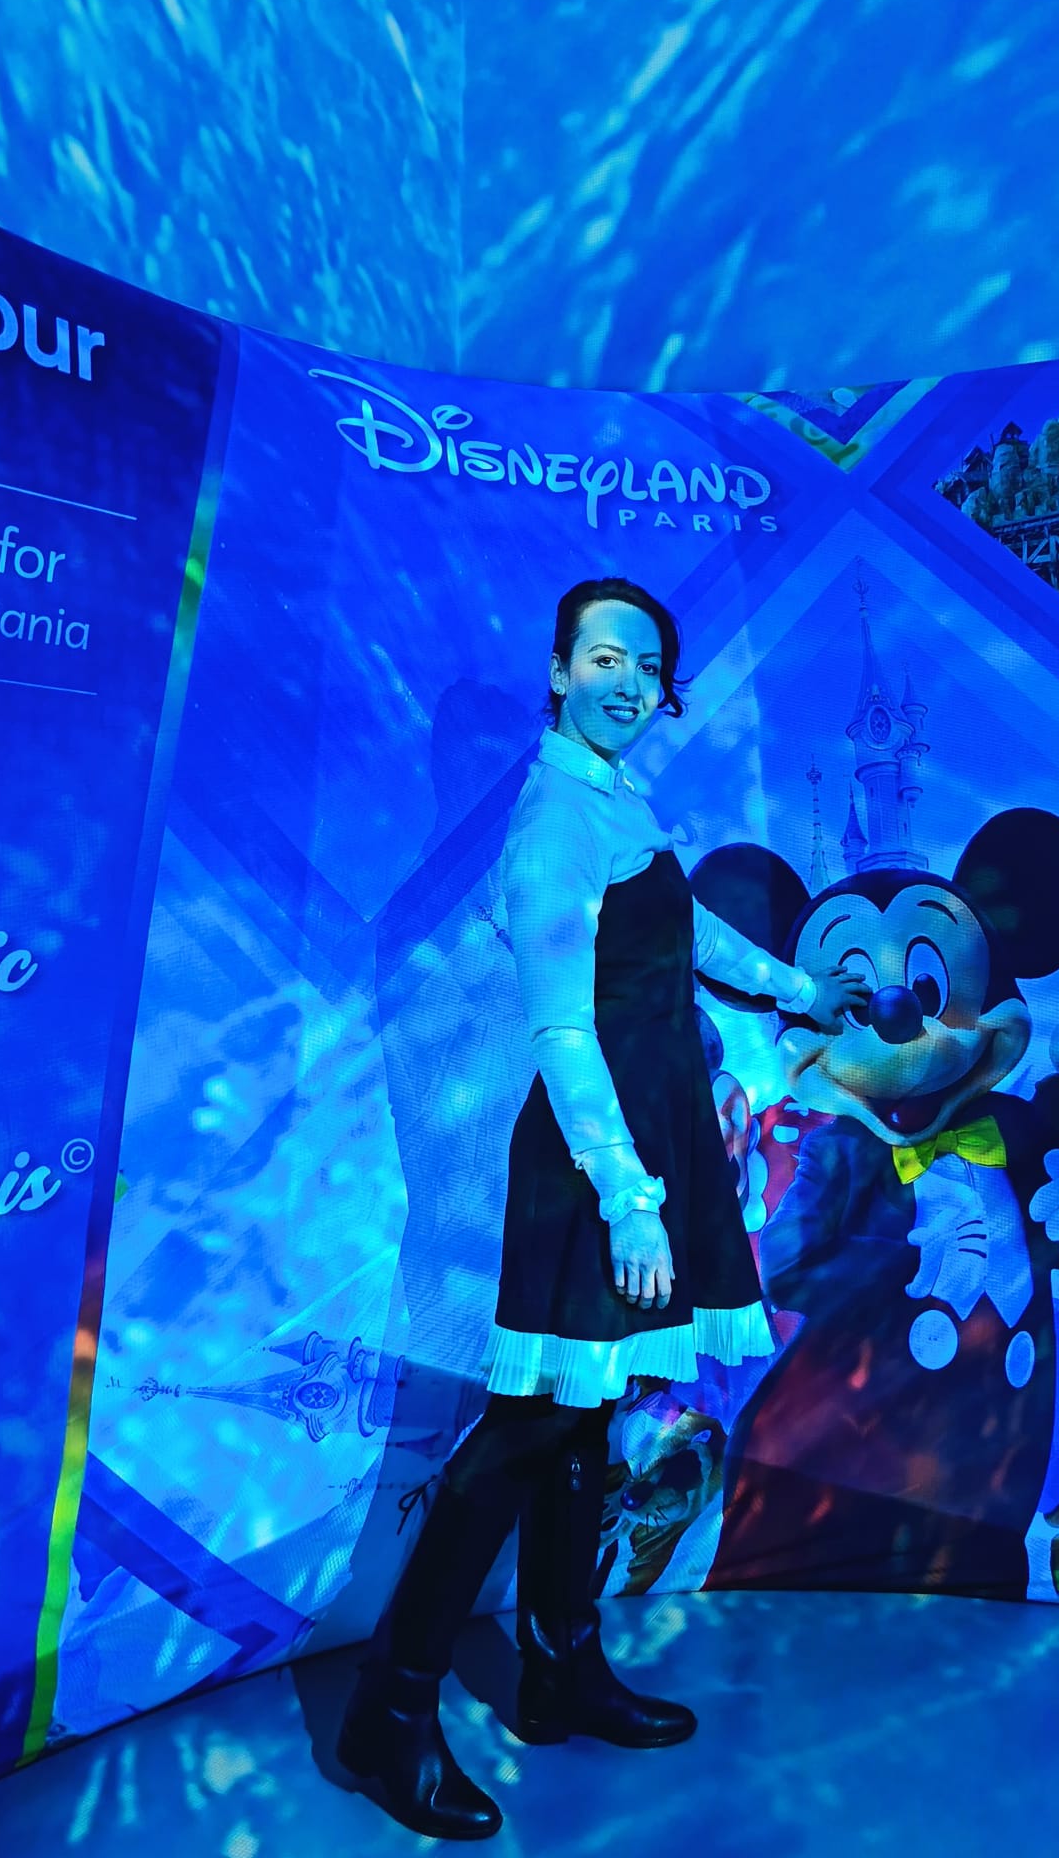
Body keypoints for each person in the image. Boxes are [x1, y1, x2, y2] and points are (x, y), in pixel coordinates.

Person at [336, 577, 867, 1839]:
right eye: (606, 656)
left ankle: (561, 1669)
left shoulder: (614, 797)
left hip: (648, 1138)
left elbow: (685, 935)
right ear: (560, 669)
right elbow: (562, 1030)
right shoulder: (551, 823)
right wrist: (630, 1200)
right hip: (598, 1161)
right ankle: (388, 1713)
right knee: (524, 1428)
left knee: (585, 1419)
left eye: (648, 664)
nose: (628, 680)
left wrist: (802, 990)